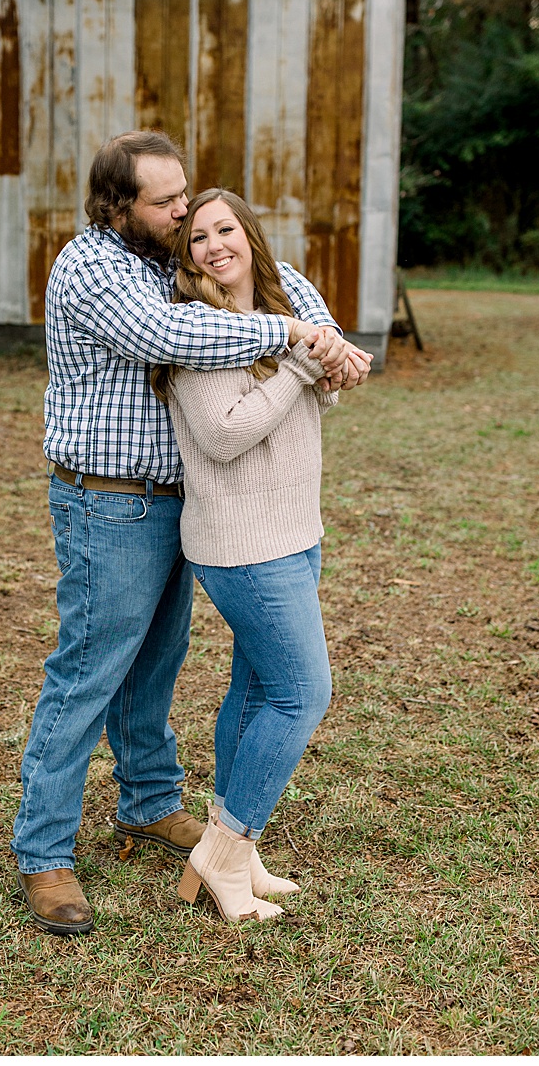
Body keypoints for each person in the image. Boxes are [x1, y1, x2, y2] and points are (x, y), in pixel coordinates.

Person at [10, 130, 371, 937]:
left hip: (185, 500)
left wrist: (328, 336)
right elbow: (173, 338)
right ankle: (43, 852)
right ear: (117, 206)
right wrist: (294, 339)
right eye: (166, 200)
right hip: (110, 502)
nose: (183, 210)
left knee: (157, 666)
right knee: (89, 673)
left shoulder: (168, 259)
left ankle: (147, 804)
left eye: (186, 194)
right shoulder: (93, 267)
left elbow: (281, 280)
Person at [149, 188, 338, 923]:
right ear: (188, 256)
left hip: (293, 530)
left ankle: (237, 852)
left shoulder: (279, 311)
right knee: (302, 694)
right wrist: (300, 368)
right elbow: (223, 435)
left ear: (249, 235)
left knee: (258, 692)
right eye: (197, 237)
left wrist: (324, 366)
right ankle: (223, 853)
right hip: (243, 545)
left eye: (224, 229)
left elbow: (309, 406)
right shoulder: (197, 331)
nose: (213, 245)